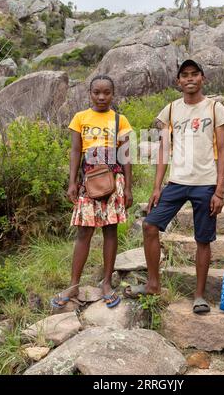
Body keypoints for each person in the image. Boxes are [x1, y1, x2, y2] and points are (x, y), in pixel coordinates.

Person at [124, 60, 224, 313]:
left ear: (203, 78)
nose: (190, 79)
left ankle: (199, 296)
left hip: (205, 184)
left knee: (203, 240)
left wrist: (220, 190)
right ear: (178, 81)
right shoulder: (170, 110)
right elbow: (163, 150)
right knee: (150, 226)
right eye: (185, 75)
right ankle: (153, 284)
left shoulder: (215, 108)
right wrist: (156, 187)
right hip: (176, 182)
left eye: (195, 74)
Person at [51, 74, 133, 309]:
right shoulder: (80, 118)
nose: (101, 97)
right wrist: (72, 182)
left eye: (106, 92)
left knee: (110, 231)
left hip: (112, 179)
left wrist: (127, 187)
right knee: (84, 233)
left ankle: (107, 283)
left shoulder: (120, 120)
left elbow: (126, 157)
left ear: (112, 94)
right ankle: (73, 285)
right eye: (96, 92)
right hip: (88, 180)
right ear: (89, 93)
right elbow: (76, 151)